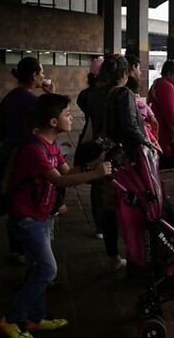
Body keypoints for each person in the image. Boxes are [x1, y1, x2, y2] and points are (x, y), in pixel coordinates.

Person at [0, 93, 111, 338]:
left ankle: (35, 318)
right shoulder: (33, 148)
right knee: (48, 270)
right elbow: (60, 179)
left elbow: (68, 170)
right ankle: (12, 318)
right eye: (67, 114)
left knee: (37, 267)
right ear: (52, 121)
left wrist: (95, 165)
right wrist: (95, 175)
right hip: (27, 219)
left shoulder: (49, 145)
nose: (71, 118)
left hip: (41, 215)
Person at [100, 55, 153, 271]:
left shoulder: (100, 92)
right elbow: (130, 126)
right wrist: (147, 145)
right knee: (130, 205)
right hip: (123, 157)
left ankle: (112, 253)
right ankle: (135, 253)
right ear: (125, 73)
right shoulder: (123, 93)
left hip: (106, 153)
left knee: (108, 206)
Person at [3, 57, 55, 263]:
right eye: (41, 73)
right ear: (34, 75)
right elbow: (52, 121)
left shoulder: (12, 96)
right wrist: (50, 95)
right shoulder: (31, 101)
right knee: (29, 199)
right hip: (27, 155)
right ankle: (34, 254)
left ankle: (16, 249)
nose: (43, 76)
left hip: (12, 152)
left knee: (15, 199)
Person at [76, 57, 104, 239]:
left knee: (97, 184)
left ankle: (100, 225)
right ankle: (103, 224)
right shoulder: (102, 95)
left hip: (91, 140)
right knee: (101, 182)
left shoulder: (86, 95)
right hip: (100, 142)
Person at [149, 59, 174, 169]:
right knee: (170, 164)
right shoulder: (166, 87)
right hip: (167, 133)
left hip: (160, 131)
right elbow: (170, 110)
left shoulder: (157, 84)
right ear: (169, 73)